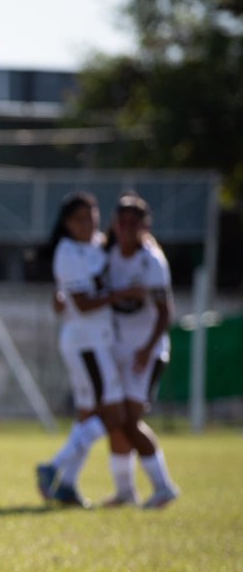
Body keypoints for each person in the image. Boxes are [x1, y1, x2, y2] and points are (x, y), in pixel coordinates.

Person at [35, 191, 144, 507]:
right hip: (87, 342)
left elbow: (67, 299)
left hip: (96, 340)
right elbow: (82, 304)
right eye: (80, 218)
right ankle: (53, 466)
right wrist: (122, 294)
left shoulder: (99, 244)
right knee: (116, 414)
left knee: (88, 414)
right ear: (67, 224)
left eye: (92, 215)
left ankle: (67, 484)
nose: (88, 223)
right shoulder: (67, 252)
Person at [101, 192, 180, 508]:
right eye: (123, 221)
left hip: (145, 351)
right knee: (114, 419)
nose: (127, 227)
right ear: (114, 224)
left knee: (129, 421)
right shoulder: (106, 254)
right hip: (117, 348)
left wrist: (148, 349)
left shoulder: (152, 261)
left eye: (135, 222)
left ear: (145, 226)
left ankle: (163, 486)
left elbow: (164, 312)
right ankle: (125, 491)